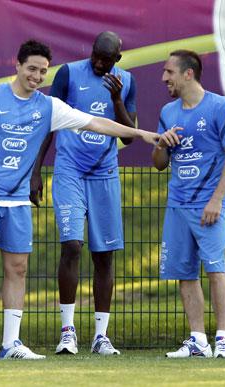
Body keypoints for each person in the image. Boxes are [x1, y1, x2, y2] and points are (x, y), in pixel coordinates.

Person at [0, 39, 159, 360]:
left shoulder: (48, 106)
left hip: (18, 200)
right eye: (31, 69)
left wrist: (141, 133)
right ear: (18, 66)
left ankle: (10, 344)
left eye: (42, 72)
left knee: (17, 268)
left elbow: (95, 122)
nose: (36, 76)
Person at [30, 31, 136, 356]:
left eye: (105, 59)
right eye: (95, 55)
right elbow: (49, 123)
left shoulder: (126, 81)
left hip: (104, 174)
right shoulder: (69, 74)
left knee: (104, 255)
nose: (97, 62)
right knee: (72, 246)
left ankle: (100, 336)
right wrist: (35, 172)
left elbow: (129, 135)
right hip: (69, 171)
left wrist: (117, 101)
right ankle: (67, 332)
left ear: (116, 60)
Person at [153, 50, 225, 358]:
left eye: (169, 72)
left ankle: (222, 339)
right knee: (185, 274)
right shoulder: (168, 111)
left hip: (209, 206)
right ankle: (197, 341)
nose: (164, 78)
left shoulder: (221, 107)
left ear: (188, 74)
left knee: (215, 269)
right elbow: (159, 164)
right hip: (177, 206)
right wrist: (162, 144)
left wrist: (217, 199)